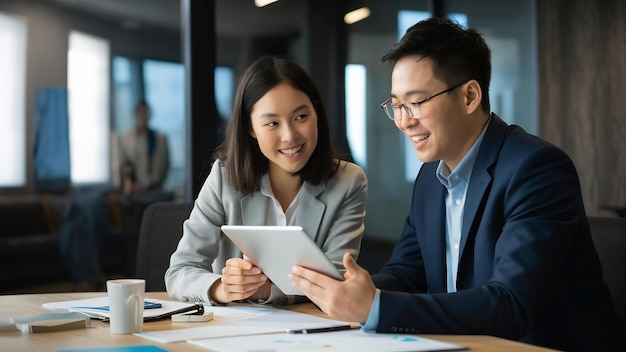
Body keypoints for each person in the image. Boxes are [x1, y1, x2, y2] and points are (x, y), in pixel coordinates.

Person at [289, 18, 624, 351]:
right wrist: (345, 290)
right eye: (396, 105)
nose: (404, 121)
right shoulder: (431, 177)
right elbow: (407, 274)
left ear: (469, 96)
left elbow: (510, 304)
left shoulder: (536, 169)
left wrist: (375, 307)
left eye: (416, 103)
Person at [165, 55, 367, 306]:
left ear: (316, 112)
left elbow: (335, 279)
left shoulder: (348, 182)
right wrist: (222, 287)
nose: (289, 136)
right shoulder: (223, 178)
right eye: (272, 123)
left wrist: (267, 290)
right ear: (250, 128)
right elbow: (180, 271)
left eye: (301, 117)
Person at [118, 100, 170, 196]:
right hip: (136, 191)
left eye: (145, 112)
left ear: (149, 114)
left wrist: (156, 182)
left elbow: (166, 164)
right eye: (140, 113)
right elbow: (124, 166)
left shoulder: (160, 138)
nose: (142, 116)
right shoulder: (127, 140)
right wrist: (132, 184)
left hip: (156, 188)